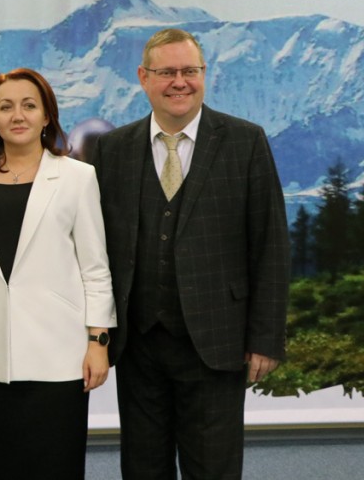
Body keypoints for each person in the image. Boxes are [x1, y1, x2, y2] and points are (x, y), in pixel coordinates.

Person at [92, 28, 290, 479]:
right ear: (143, 77)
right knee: (143, 468)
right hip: (138, 345)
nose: (179, 82)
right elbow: (96, 249)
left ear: (204, 74)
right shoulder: (113, 149)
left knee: (213, 469)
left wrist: (265, 337)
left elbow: (271, 245)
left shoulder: (245, 142)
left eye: (190, 71)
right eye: (167, 72)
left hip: (217, 342)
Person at [0, 68, 116, 479]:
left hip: (60, 355)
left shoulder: (77, 178)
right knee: (4, 466)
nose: (17, 115)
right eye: (6, 107)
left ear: (46, 116)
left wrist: (98, 342)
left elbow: (96, 269)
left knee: (57, 466)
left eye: (29, 105)